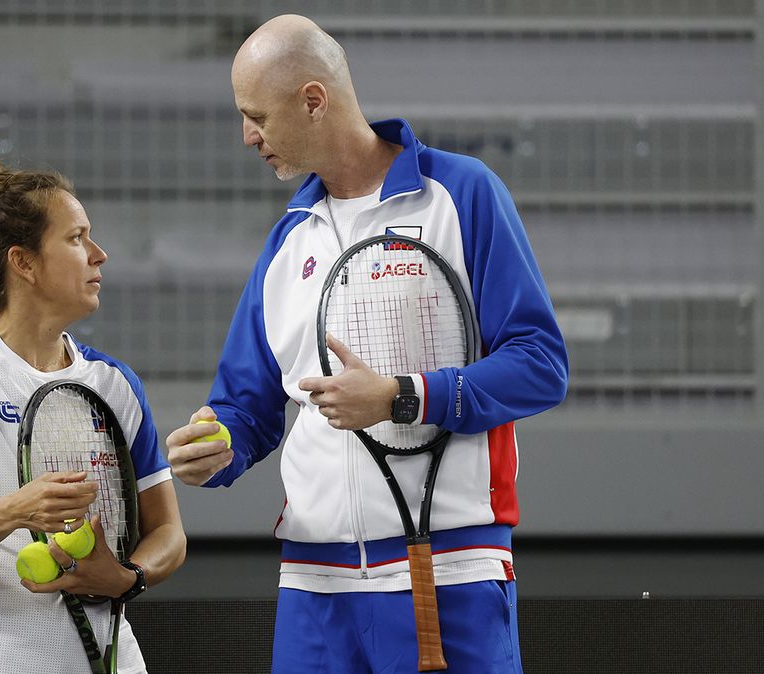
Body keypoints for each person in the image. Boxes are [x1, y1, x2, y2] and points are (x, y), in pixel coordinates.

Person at [166, 15, 568, 674]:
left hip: (451, 570)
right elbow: (246, 405)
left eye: (257, 115)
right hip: (312, 587)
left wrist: (401, 397)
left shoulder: (461, 195)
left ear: (314, 101)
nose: (248, 136)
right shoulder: (286, 241)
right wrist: (219, 444)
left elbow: (540, 365)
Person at [0, 142, 186, 674]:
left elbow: (168, 534)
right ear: (23, 262)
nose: (100, 254)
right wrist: (16, 511)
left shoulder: (116, 384)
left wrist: (126, 578)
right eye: (76, 238)